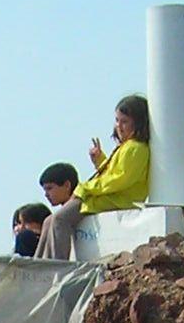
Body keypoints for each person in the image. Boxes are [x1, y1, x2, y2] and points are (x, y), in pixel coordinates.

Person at [37, 99, 153, 258]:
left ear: (138, 123)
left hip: (113, 200)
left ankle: (56, 266)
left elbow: (120, 179)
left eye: (124, 122)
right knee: (49, 221)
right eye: (117, 121)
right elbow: (113, 174)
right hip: (105, 198)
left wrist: (86, 188)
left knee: (59, 220)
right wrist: (100, 160)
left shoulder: (136, 148)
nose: (119, 126)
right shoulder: (127, 147)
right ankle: (39, 263)